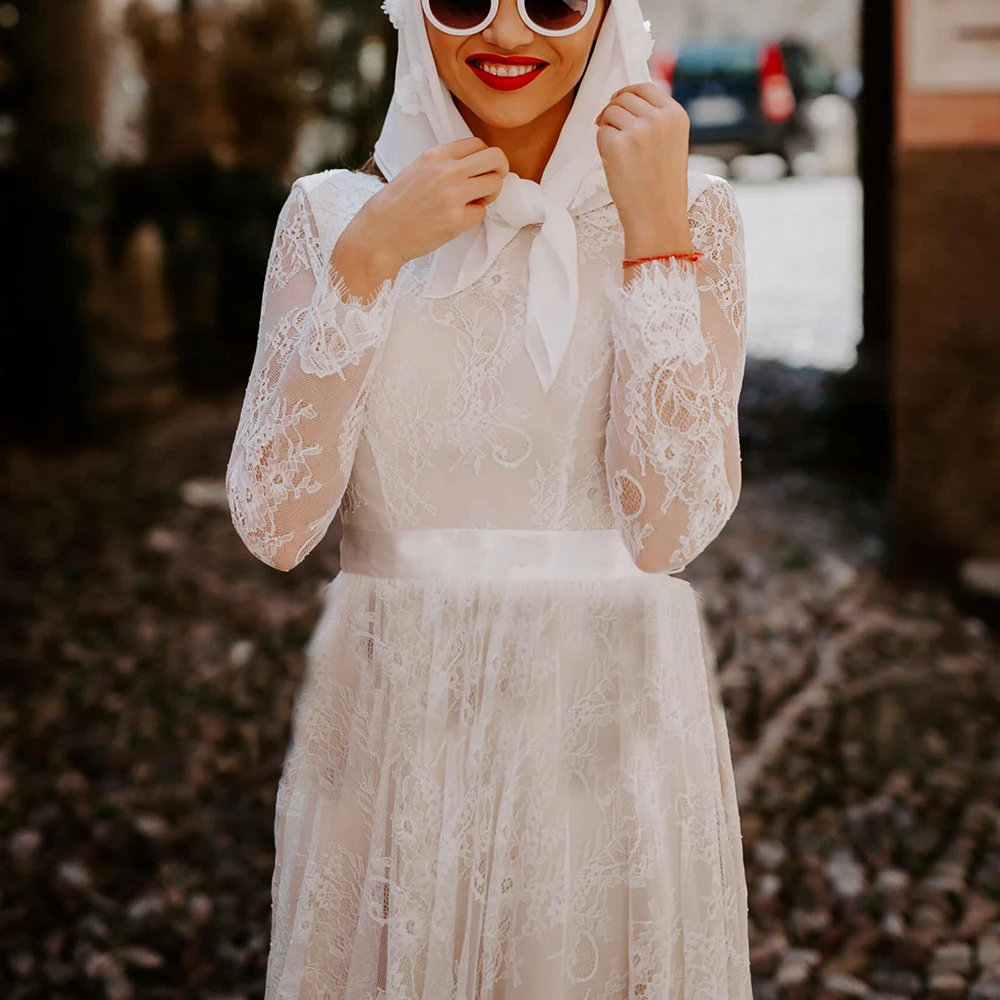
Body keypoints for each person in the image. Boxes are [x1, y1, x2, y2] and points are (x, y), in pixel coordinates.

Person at [225, 0, 752, 994]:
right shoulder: (332, 215)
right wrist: (368, 260)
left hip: (603, 744)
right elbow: (273, 523)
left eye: (553, 2)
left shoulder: (694, 210)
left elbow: (670, 527)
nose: (506, 36)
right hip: (390, 743)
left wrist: (653, 239)